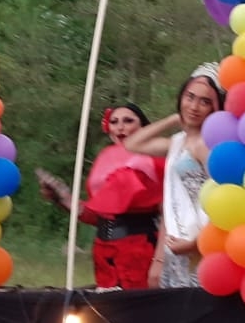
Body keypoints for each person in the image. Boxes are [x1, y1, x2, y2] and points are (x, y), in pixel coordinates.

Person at [38, 103, 164, 289]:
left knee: (137, 308)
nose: (120, 127)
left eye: (128, 121)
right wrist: (62, 198)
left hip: (139, 249)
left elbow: (168, 213)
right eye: (114, 122)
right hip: (104, 250)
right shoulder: (105, 158)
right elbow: (97, 214)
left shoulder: (157, 158)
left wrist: (160, 260)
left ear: (144, 127)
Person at [123, 63, 224, 288]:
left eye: (205, 101)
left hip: (201, 247)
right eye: (190, 97)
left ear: (215, 108)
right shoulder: (178, 141)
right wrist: (173, 118)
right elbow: (132, 143)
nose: (195, 106)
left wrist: (195, 244)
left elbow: (223, 200)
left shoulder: (207, 145)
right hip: (176, 245)